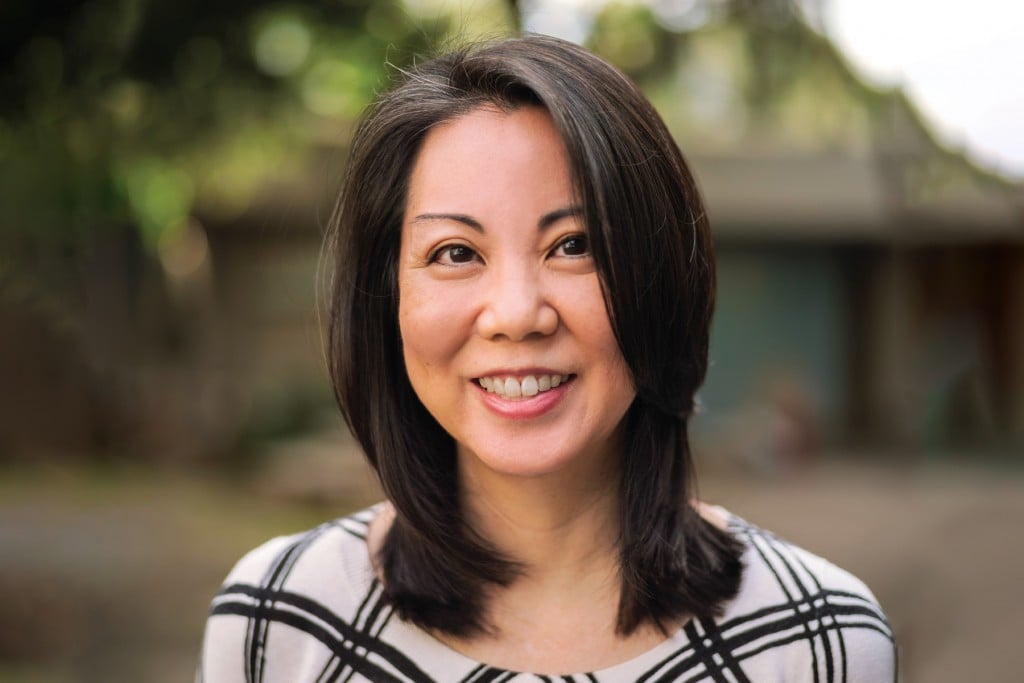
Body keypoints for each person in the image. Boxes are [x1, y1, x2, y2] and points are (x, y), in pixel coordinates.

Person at [198, 35, 896, 682]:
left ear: (657, 279)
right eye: (455, 254)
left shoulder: (818, 640)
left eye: (573, 245)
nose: (515, 315)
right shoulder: (279, 620)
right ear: (389, 301)